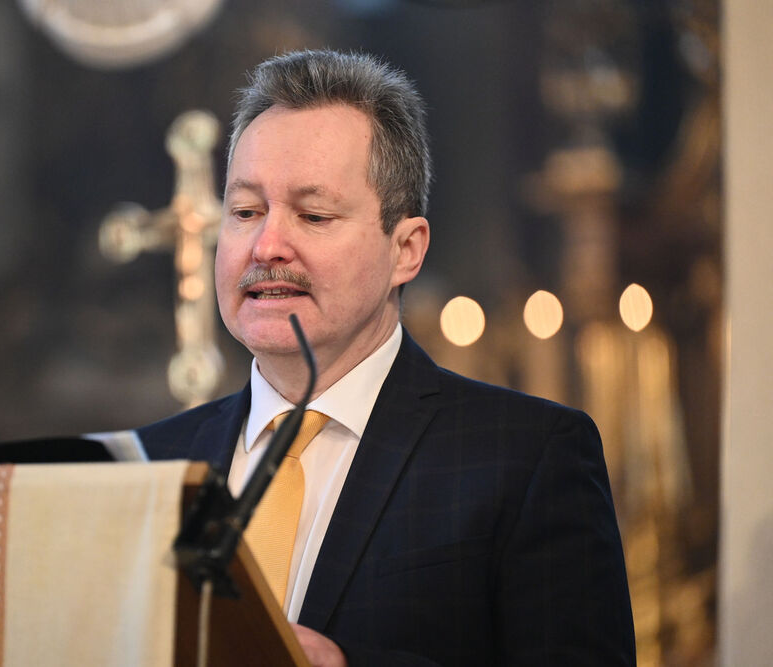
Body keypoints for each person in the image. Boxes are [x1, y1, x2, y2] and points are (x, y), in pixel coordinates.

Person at [138, 49, 635, 666]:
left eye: (313, 215)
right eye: (245, 212)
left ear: (405, 249)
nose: (266, 245)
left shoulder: (528, 456)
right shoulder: (148, 466)